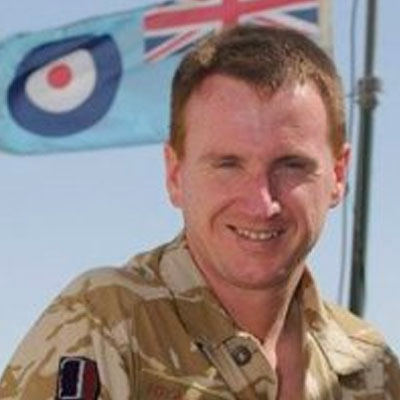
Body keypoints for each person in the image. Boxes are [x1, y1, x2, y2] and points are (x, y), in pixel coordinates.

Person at [0, 25, 399, 400]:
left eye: (291, 165)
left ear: (338, 175)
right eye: (228, 164)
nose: (261, 204)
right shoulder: (104, 324)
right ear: (175, 174)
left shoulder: (371, 367)